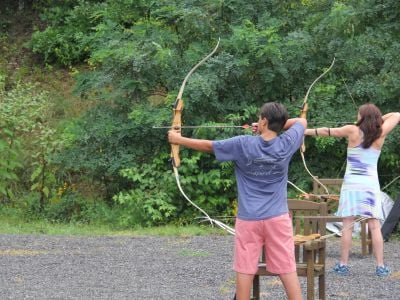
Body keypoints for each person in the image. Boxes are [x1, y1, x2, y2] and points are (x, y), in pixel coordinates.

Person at [168, 102, 306, 300]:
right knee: (287, 268)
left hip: (249, 219)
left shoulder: (243, 143)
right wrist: (275, 126)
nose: (258, 121)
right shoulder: (287, 142)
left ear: (264, 121)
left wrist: (178, 139)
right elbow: (302, 121)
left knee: (245, 269)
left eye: (260, 118)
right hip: (278, 218)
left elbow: (209, 146)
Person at [304, 104, 400, 277]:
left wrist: (305, 131)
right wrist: (376, 121)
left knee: (347, 225)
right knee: (374, 225)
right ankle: (380, 266)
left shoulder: (352, 130)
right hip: (370, 185)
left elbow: (327, 131)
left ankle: (343, 265)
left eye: (359, 114)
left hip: (351, 185)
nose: (357, 116)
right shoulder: (380, 132)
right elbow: (397, 114)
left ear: (363, 117)